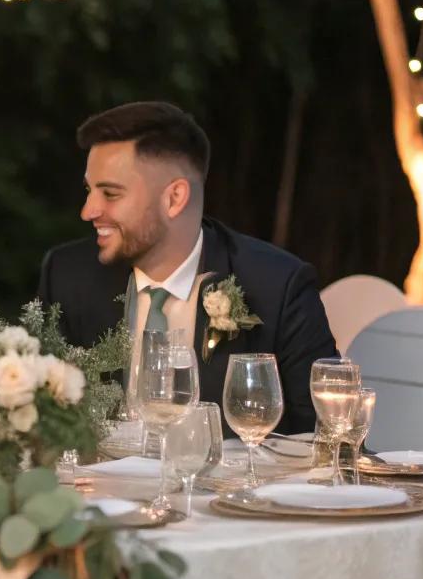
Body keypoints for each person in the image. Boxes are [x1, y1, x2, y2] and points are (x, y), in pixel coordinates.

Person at [37, 101, 336, 435]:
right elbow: (40, 421)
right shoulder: (68, 276)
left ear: (174, 198)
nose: (88, 210)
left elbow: (327, 437)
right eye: (89, 190)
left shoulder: (276, 286)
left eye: (110, 193)